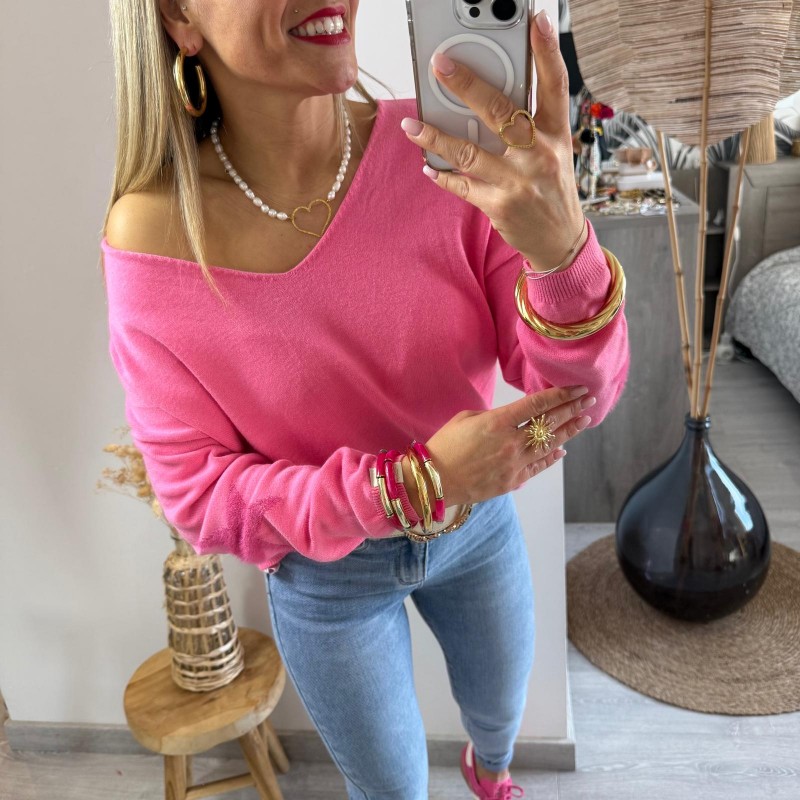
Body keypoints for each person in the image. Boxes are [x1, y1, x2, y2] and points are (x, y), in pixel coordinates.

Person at [100, 1, 630, 797]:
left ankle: (489, 775)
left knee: (500, 714)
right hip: (327, 578)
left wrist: (564, 254)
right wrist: (413, 483)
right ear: (179, 14)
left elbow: (575, 397)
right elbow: (197, 494)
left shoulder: (445, 152)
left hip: (476, 525)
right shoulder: (155, 236)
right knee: (390, 788)